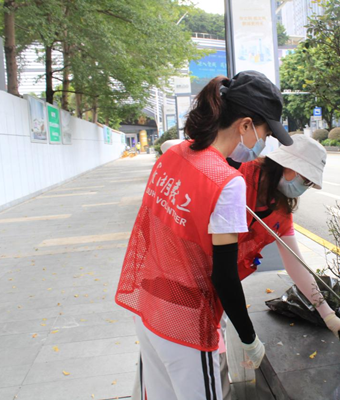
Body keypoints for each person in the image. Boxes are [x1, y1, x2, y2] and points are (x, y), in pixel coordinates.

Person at [115, 70, 293, 400]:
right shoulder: (227, 182)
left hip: (150, 305)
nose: (263, 143)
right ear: (245, 125)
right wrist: (249, 338)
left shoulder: (173, 155)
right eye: (265, 132)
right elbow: (224, 276)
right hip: (186, 324)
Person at [162, 135, 340, 399]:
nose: (304, 188)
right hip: (182, 278)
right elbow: (173, 148)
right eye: (306, 180)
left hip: (218, 289)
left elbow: (296, 264)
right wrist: (248, 338)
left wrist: (327, 313)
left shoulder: (280, 211)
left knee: (210, 362)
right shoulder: (235, 172)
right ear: (289, 167)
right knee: (196, 371)